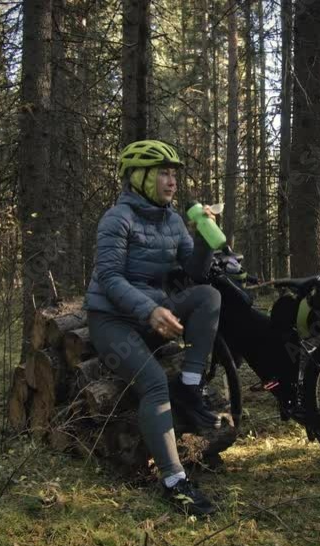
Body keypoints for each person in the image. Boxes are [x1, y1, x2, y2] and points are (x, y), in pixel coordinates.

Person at [83, 139, 227, 516]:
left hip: (152, 311)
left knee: (208, 296)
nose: (171, 181)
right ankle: (174, 481)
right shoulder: (117, 218)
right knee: (153, 383)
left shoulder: (173, 220)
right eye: (163, 173)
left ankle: (191, 388)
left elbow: (194, 273)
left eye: (173, 173)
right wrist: (149, 311)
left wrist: (205, 238)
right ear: (139, 178)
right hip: (112, 320)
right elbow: (110, 277)